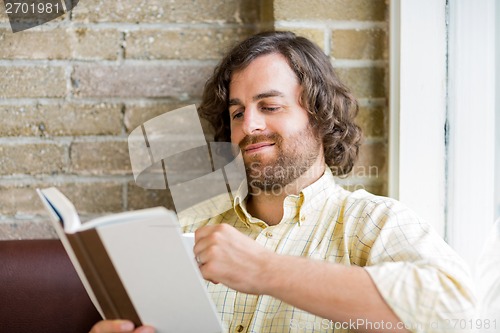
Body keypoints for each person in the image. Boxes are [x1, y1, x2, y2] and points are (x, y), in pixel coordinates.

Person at [91, 31, 475, 333]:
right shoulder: (191, 228)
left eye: (270, 107)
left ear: (321, 116)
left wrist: (263, 270)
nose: (249, 126)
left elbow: (457, 313)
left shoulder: (370, 224)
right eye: (238, 112)